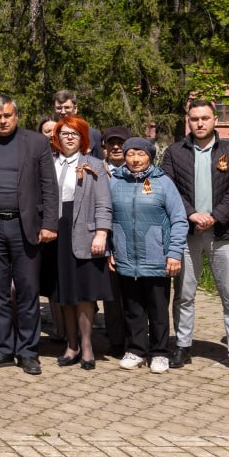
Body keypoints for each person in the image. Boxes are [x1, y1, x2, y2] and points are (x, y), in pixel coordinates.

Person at [0, 95, 58, 376]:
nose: (2, 121)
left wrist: (49, 223)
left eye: (7, 116)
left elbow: (49, 186)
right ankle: (3, 349)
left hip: (26, 228)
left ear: (16, 115)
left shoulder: (36, 143)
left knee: (28, 292)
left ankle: (28, 352)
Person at [161, 99, 229, 376]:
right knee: (184, 295)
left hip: (224, 234)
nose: (199, 123)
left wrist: (214, 216)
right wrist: (191, 214)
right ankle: (183, 346)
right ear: (188, 121)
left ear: (215, 120)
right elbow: (169, 188)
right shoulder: (175, 152)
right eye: (194, 118)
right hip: (187, 233)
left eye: (205, 118)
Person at [108, 137, 188, 373]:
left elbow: (179, 219)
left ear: (150, 157)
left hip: (157, 257)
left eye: (140, 154)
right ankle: (136, 350)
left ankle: (160, 352)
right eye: (130, 154)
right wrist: (111, 250)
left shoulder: (163, 182)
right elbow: (107, 217)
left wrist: (174, 253)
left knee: (158, 308)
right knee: (132, 308)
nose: (135, 159)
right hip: (125, 257)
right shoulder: (115, 181)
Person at [45, 116, 112, 371]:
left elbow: (104, 202)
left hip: (85, 233)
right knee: (64, 293)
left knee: (84, 294)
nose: (70, 137)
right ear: (57, 138)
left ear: (83, 137)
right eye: (65, 133)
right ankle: (71, 345)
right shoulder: (49, 163)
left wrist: (101, 233)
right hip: (56, 233)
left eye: (75, 133)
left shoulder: (93, 164)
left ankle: (86, 345)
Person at [99, 126, 131, 356]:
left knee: (134, 294)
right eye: (112, 143)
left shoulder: (140, 170)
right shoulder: (97, 171)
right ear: (105, 148)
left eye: (121, 143)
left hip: (133, 239)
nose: (117, 147)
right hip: (105, 238)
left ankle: (136, 337)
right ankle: (116, 340)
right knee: (111, 295)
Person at [51, 90, 103, 159]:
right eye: (59, 108)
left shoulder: (93, 134)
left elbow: (99, 162)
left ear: (75, 109)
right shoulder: (49, 134)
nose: (63, 112)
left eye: (67, 107)